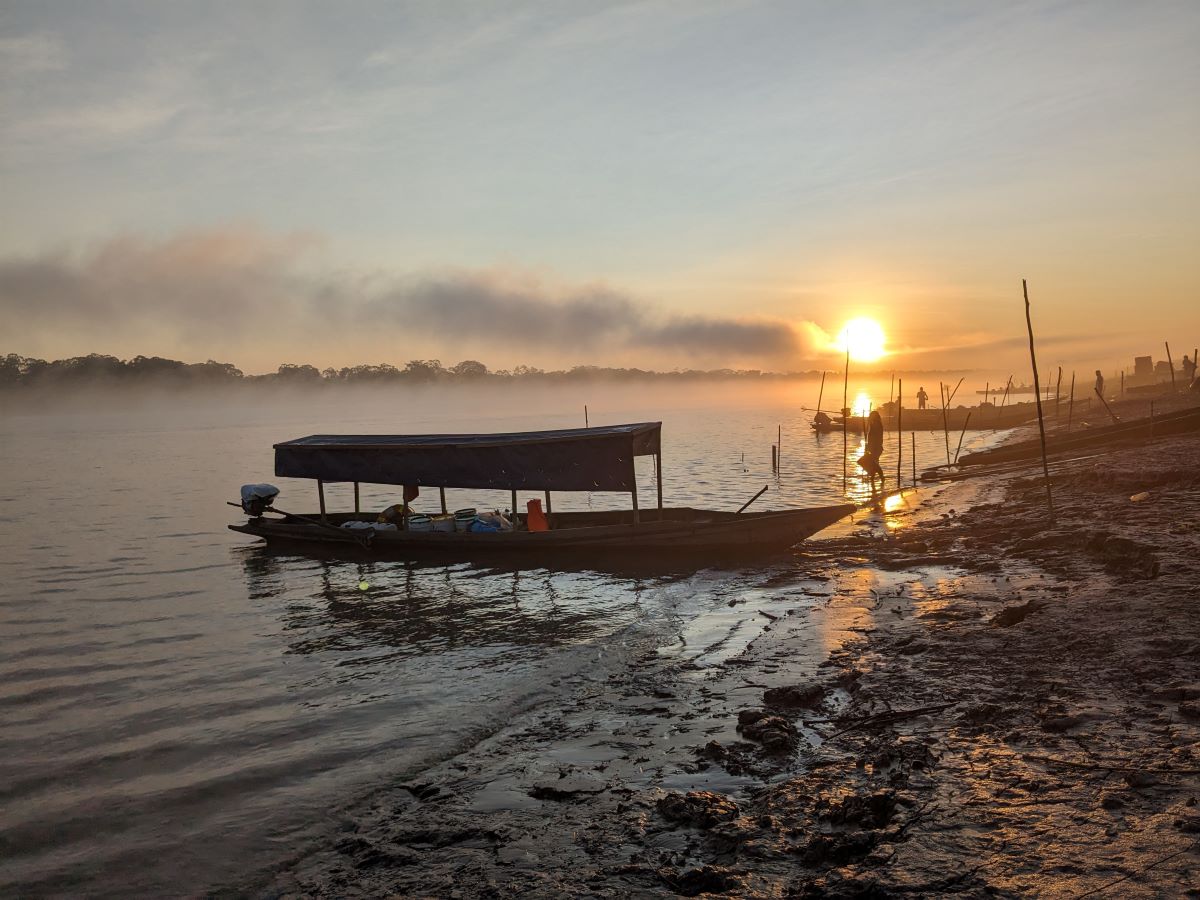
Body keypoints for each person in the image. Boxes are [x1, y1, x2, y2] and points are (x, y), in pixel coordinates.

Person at [858, 409, 885, 487]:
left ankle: (881, 477)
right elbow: (871, 437)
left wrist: (870, 447)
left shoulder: (876, 424)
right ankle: (873, 478)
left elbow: (876, 437)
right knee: (873, 463)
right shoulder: (874, 424)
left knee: (873, 463)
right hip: (873, 447)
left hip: (876, 447)